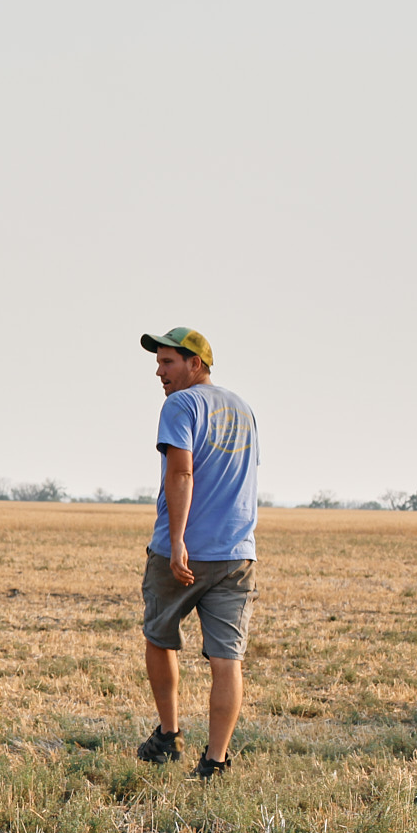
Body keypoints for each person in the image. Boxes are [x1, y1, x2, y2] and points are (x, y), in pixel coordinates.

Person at [134, 328, 260, 781]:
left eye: (168, 362)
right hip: (237, 554)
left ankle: (169, 737)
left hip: (181, 549)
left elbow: (181, 472)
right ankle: (216, 761)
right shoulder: (243, 409)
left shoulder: (181, 405)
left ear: (196, 364)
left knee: (159, 635)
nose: (159, 371)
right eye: (159, 363)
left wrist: (180, 540)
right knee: (227, 660)